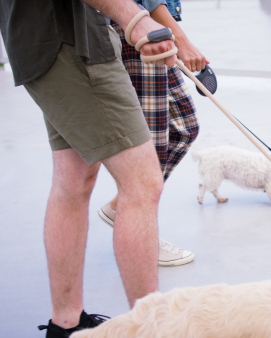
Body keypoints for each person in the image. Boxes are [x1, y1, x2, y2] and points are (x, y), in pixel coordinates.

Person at [0, 0, 177, 336]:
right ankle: (151, 329)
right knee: (142, 184)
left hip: (41, 40)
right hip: (70, 40)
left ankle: (66, 323)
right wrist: (133, 17)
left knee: (74, 179)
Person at [98, 0, 209, 267]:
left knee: (185, 127)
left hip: (153, 27)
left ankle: (122, 208)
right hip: (136, 27)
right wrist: (180, 38)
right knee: (153, 144)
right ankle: (143, 235)